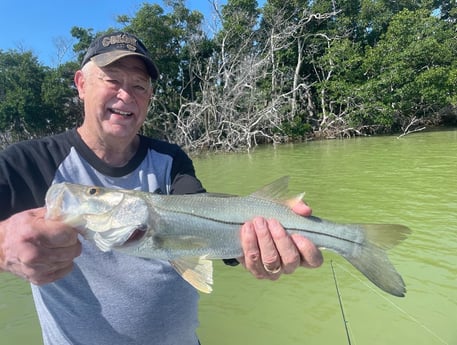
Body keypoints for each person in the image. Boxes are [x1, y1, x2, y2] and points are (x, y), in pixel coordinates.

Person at [0, 32, 323, 345]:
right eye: (112, 80)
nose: (125, 95)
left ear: (149, 97)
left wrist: (259, 243)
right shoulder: (29, 163)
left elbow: (201, 215)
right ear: (81, 85)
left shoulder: (170, 158)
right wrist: (3, 245)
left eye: (139, 85)